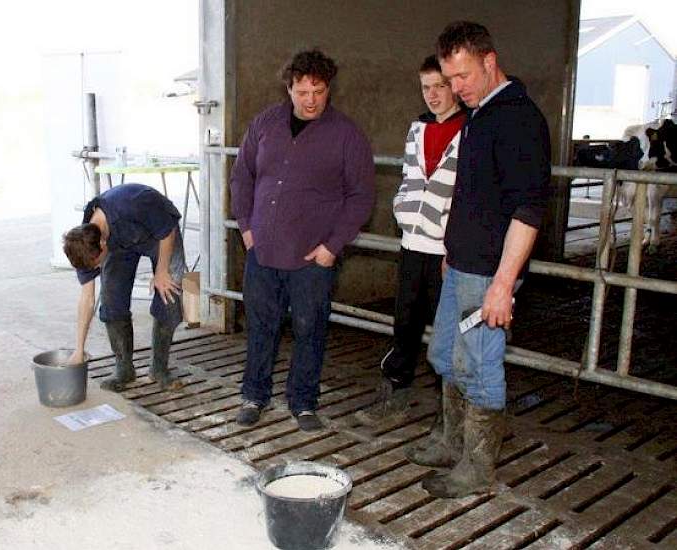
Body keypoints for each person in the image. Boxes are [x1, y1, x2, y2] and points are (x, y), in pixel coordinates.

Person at [409, 21, 551, 498]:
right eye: (450, 79)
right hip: (462, 266)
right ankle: (451, 441)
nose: (456, 88)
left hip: (490, 274)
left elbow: (528, 209)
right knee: (444, 354)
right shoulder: (479, 113)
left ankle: (478, 466)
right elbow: (473, 196)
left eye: (464, 76)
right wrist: (453, 250)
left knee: (480, 366)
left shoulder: (519, 120)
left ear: (490, 62)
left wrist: (503, 284)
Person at [230, 49, 376, 432]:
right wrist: (246, 226)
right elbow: (241, 176)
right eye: (302, 91)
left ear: (329, 90)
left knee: (310, 327)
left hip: (313, 256)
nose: (310, 99)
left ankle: (304, 402)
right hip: (262, 250)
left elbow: (361, 196)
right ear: (289, 88)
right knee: (261, 324)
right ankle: (254, 395)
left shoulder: (347, 135)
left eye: (319, 91)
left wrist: (333, 246)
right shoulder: (264, 124)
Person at [355, 55, 465, 426]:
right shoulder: (417, 128)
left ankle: (448, 415)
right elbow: (407, 178)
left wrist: (455, 243)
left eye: (440, 86)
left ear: (455, 86)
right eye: (426, 88)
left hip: (448, 253)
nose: (433, 95)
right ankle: (394, 394)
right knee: (404, 323)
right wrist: (404, 211)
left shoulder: (471, 129)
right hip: (413, 244)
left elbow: (470, 194)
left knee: (448, 333)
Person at [63, 183, 187, 392]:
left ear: (103, 244)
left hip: (160, 234)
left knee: (169, 293)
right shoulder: (83, 243)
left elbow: (167, 230)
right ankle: (124, 370)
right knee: (111, 301)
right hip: (120, 245)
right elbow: (88, 298)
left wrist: (161, 271)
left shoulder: (133, 204)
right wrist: (79, 349)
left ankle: (159, 368)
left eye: (97, 264)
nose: (96, 269)